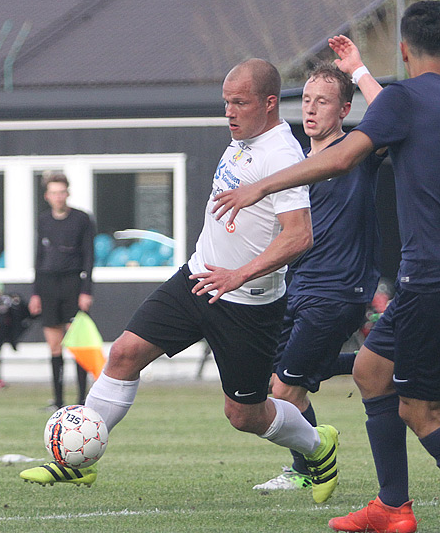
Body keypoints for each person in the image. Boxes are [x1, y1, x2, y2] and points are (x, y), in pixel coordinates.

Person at [212, 1, 440, 533]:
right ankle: (392, 507)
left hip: (432, 274)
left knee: (421, 409)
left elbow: (340, 158)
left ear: (403, 51)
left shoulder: (405, 98)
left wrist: (261, 186)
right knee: (369, 370)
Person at [19, 58, 341, 506]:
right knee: (124, 353)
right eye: (225, 102)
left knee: (244, 414)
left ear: (269, 104)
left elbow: (299, 235)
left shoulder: (280, 155)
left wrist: (238, 274)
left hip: (246, 301)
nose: (229, 112)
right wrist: (215, 264)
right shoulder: (242, 140)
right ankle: (77, 460)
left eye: (239, 103)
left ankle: (317, 446)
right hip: (197, 278)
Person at [253, 63, 384, 492]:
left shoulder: (357, 152)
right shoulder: (296, 163)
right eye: (307, 100)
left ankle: (308, 467)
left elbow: (392, 114)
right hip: (296, 289)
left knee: (283, 391)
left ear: (344, 109)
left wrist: (359, 69)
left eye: (323, 101)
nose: (310, 109)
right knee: (284, 382)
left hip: (338, 291)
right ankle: (379, 364)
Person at [29, 172, 95, 410]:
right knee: (54, 345)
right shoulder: (43, 221)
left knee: (77, 343)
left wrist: (86, 290)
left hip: (72, 283)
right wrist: (35, 292)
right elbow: (38, 257)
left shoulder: (81, 220)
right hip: (48, 285)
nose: (58, 197)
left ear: (67, 193)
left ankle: (81, 399)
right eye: (54, 193)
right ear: (48, 196)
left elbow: (89, 256)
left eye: (62, 192)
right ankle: (57, 400)